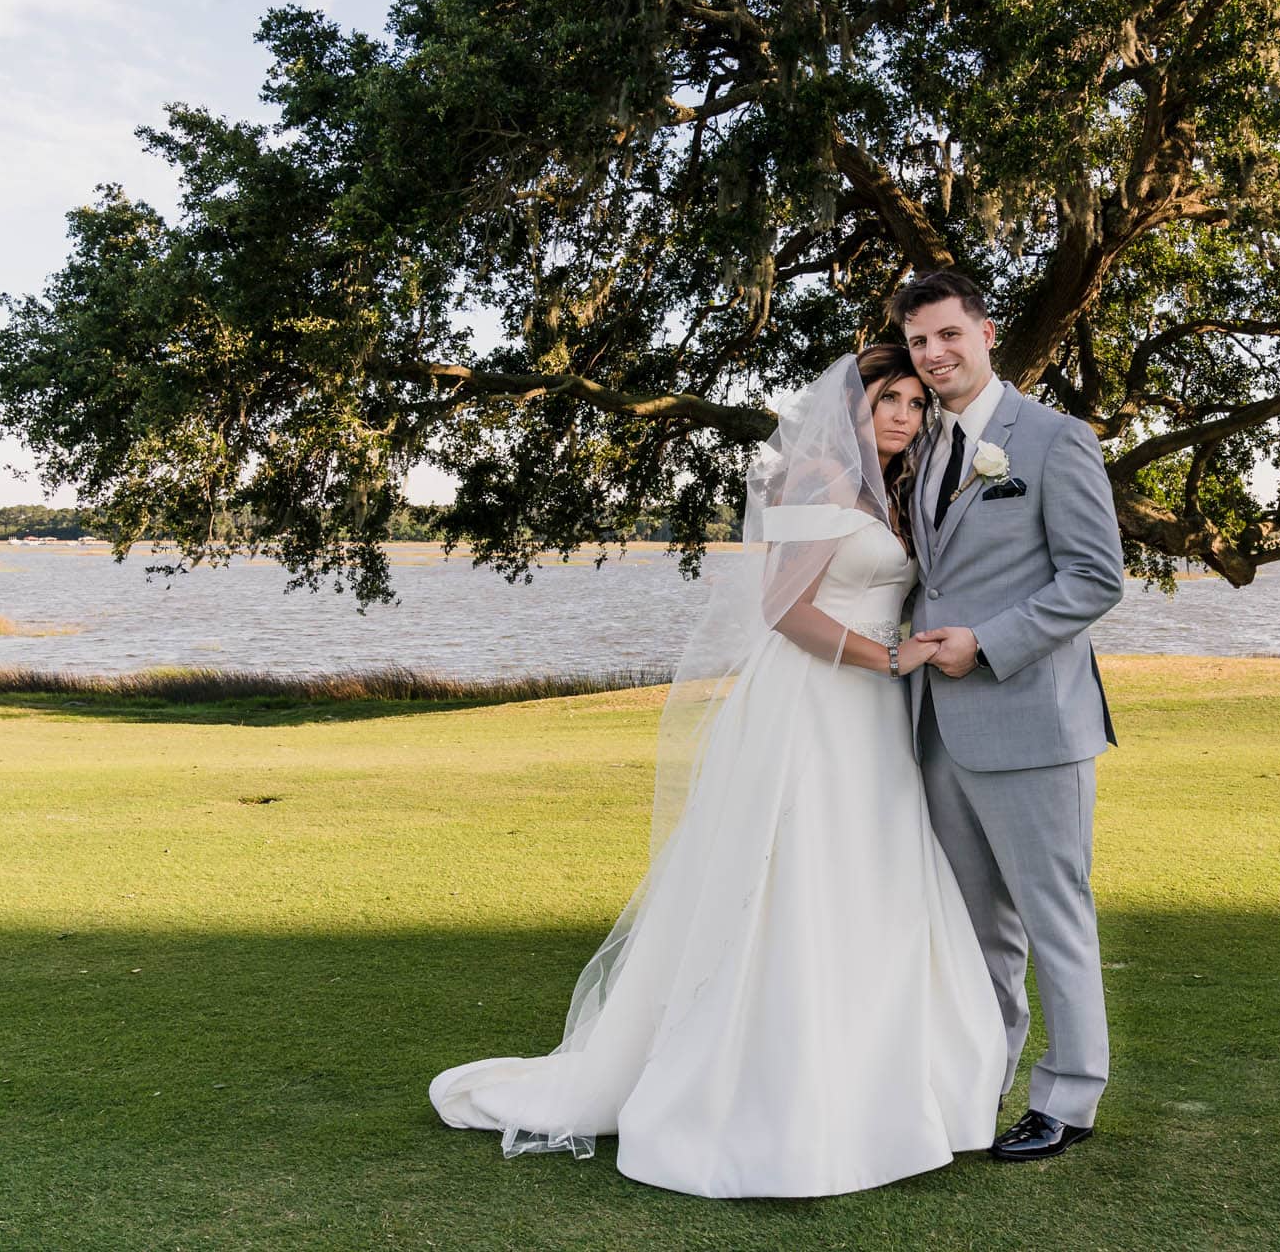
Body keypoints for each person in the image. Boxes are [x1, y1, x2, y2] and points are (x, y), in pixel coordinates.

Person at [428, 344, 1006, 1198]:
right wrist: (885, 659)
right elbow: (783, 610)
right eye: (890, 398)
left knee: (870, 874)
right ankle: (768, 1093)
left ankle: (886, 1083)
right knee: (796, 872)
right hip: (816, 702)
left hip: (874, 714)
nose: (904, 417)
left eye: (918, 405)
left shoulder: (893, 491)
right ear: (851, 405)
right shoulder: (817, 478)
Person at [897, 270, 1126, 1161]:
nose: (935, 354)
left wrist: (986, 643)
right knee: (977, 925)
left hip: (1031, 719)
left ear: (987, 334)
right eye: (919, 343)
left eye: (949, 335)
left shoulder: (1055, 439)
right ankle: (978, 1084)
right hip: (937, 729)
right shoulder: (919, 447)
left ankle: (1067, 1100)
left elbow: (1095, 578)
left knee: (1051, 912)